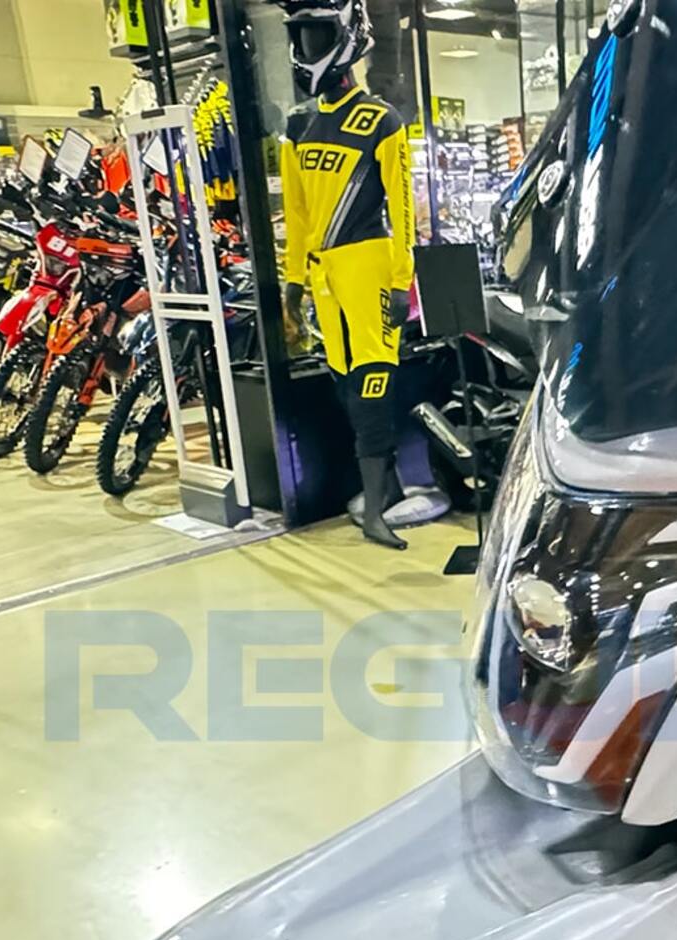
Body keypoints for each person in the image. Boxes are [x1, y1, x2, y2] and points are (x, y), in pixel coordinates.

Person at [276, 0, 416, 550]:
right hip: (324, 281)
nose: (304, 47)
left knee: (372, 391)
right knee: (343, 384)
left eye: (315, 35)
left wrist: (402, 281)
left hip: (369, 271)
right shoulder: (298, 126)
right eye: (299, 36)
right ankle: (388, 486)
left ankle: (377, 511)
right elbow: (297, 216)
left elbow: (403, 209)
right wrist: (293, 284)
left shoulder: (381, 121)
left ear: (347, 37)